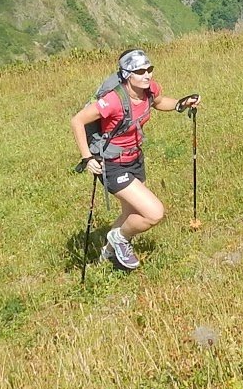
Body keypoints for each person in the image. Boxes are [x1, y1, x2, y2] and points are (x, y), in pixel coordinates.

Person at [70, 48, 199, 271]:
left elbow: (158, 102)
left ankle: (107, 254)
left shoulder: (149, 89)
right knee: (153, 213)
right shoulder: (113, 101)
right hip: (112, 165)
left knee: (131, 213)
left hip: (135, 158)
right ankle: (118, 238)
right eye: (140, 71)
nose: (147, 75)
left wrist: (180, 103)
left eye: (149, 69)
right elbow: (77, 121)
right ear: (128, 74)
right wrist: (86, 157)